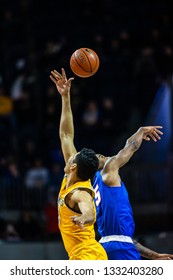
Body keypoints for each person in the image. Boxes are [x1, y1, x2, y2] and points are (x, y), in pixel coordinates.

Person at [49, 68, 107, 260]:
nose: (69, 155)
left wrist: (85, 217)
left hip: (87, 255)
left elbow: (89, 210)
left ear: (73, 166)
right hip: (82, 255)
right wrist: (65, 96)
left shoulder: (80, 192)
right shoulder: (71, 175)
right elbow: (66, 135)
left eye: (73, 157)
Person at [93, 126, 173, 260]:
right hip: (120, 248)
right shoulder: (107, 171)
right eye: (100, 157)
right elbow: (131, 146)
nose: (104, 156)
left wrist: (153, 255)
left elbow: (124, 239)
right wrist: (141, 131)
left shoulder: (97, 183)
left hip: (107, 245)